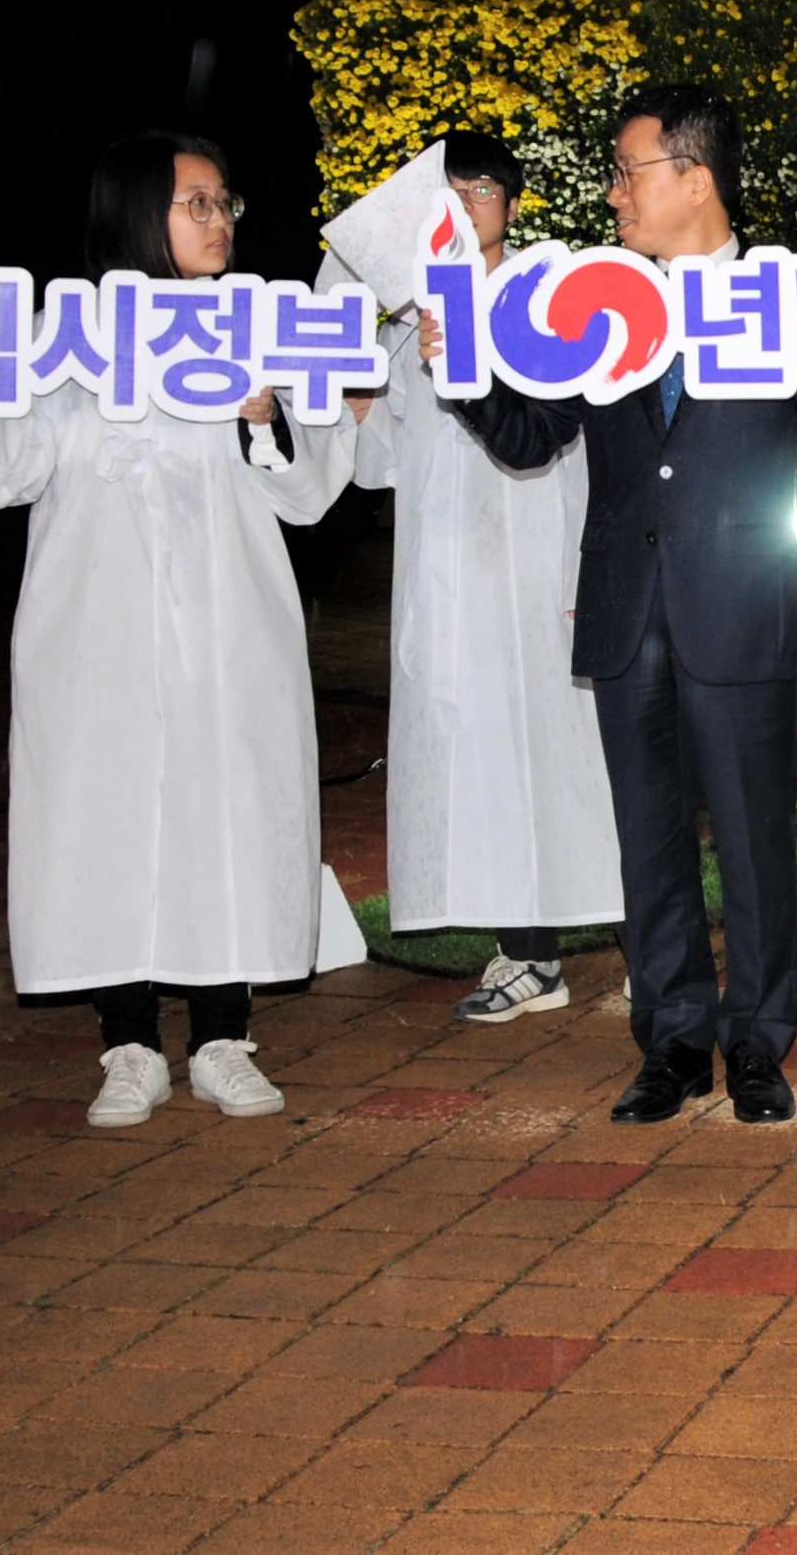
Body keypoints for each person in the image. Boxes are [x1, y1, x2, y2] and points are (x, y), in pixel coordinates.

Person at [439, 84, 797, 1126]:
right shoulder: (599, 300)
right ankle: (673, 1040)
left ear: (694, 177)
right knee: (648, 843)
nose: (613, 195)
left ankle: (759, 1046)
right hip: (628, 606)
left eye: (629, 172)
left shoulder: (784, 295)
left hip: (741, 601)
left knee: (756, 843)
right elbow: (530, 436)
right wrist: (462, 371)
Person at [0, 133, 348, 1126]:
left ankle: (223, 1035)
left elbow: (311, 488)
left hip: (232, 627)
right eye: (195, 202)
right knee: (105, 818)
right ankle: (126, 1042)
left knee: (228, 811)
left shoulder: (260, 327)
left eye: (223, 200)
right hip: (97, 628)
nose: (220, 219)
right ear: (132, 215)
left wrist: (261, 414)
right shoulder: (66, 341)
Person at [336, 132, 620, 1026]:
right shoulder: (407, 320)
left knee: (563, 753)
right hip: (449, 568)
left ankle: (625, 934)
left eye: (484, 189)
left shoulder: (547, 301)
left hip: (545, 558)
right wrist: (360, 394)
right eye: (449, 191)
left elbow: (569, 441)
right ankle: (523, 952)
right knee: (478, 759)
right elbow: (378, 462)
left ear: (512, 202)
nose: (467, 205)